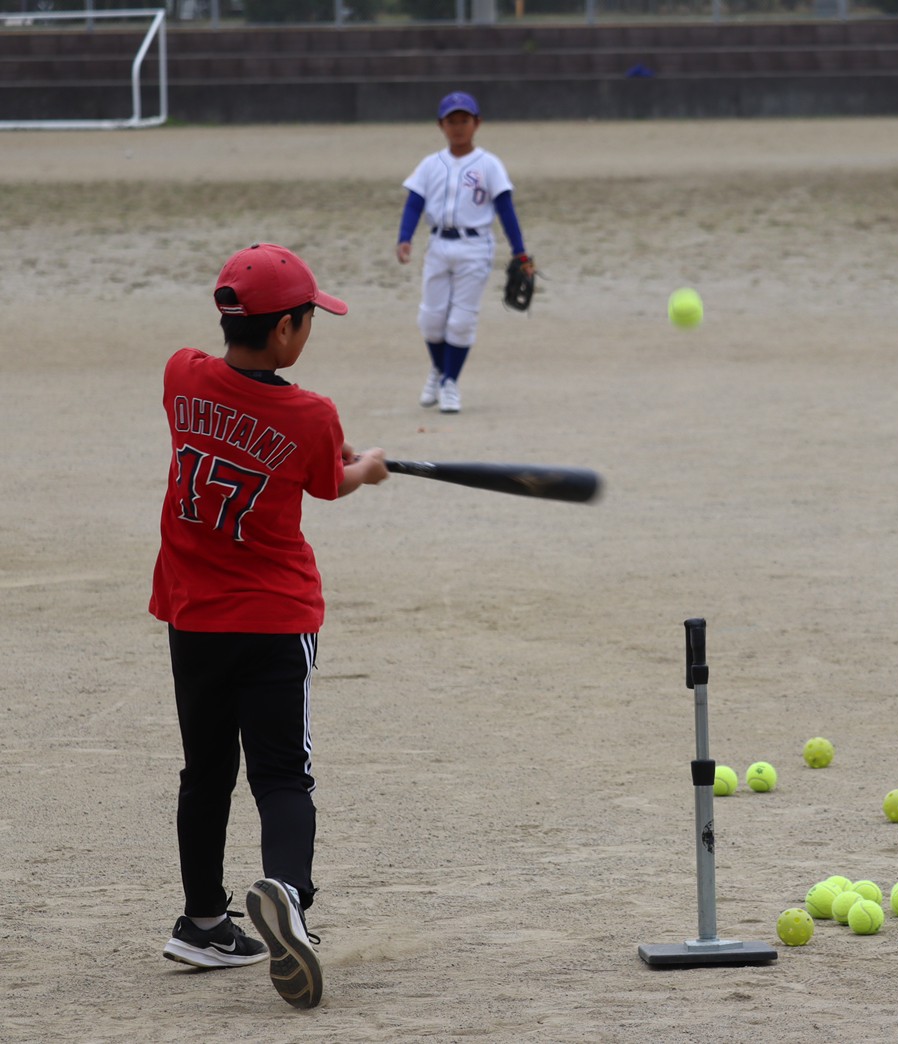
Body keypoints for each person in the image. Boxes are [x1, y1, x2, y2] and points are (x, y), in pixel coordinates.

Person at [151, 243, 388, 1010]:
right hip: (276, 620)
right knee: (284, 775)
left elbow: (247, 422)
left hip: (193, 617)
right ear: (285, 330)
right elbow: (332, 482)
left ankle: (204, 920)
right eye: (307, 318)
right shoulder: (311, 414)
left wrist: (328, 452)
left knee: (206, 772)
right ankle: (287, 893)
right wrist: (368, 467)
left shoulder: (181, 373)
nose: (309, 329)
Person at [396, 90, 535, 414]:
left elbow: (505, 209)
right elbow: (414, 202)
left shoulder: (489, 164)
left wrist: (521, 252)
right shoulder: (431, 164)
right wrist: (404, 237)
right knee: (430, 319)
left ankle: (449, 383)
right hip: (439, 245)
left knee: (460, 321)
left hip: (475, 247)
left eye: (464, 120)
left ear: (477, 123)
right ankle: (441, 369)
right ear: (440, 125)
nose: (458, 127)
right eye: (451, 121)